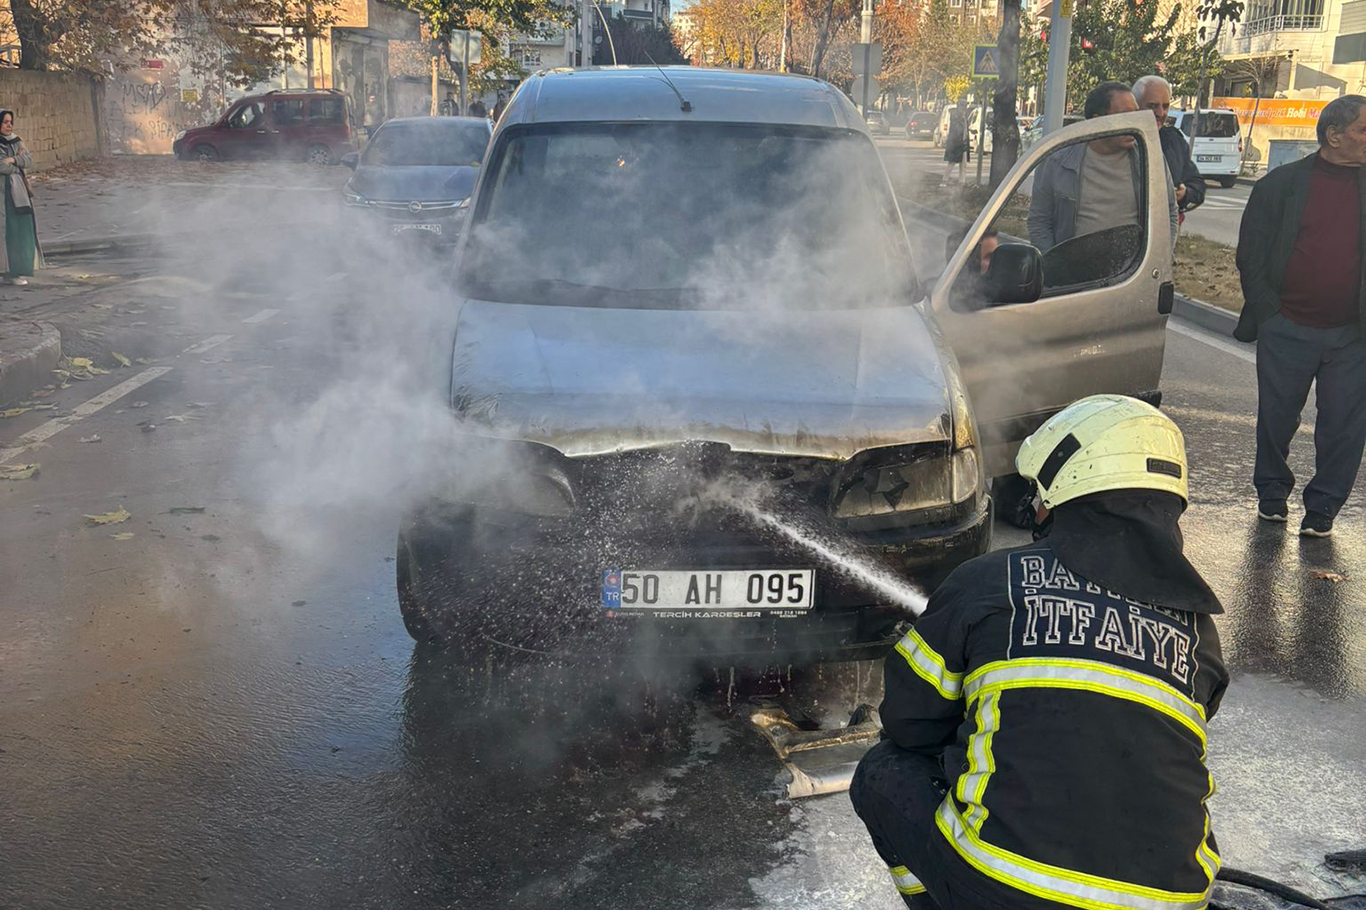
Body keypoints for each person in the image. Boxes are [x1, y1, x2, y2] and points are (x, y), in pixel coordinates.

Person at [851, 394, 1227, 910]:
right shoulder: (1196, 629)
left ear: (1063, 490)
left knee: (881, 774)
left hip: (1010, 890)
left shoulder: (989, 581)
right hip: (1172, 899)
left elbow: (909, 725)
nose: (1034, 505)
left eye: (1038, 493)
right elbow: (1141, 747)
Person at [1235, 94, 1366, 537]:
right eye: (1364, 130)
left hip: (1353, 335)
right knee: (1277, 417)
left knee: (1347, 426)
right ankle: (1272, 493)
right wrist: (1269, 311)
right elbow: (1250, 254)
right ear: (1334, 135)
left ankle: (1324, 507)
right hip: (1286, 324)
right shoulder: (1280, 185)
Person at [1027, 82, 1178, 252]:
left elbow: (1169, 212)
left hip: (1134, 274)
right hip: (1074, 273)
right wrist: (1052, 268)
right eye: (1125, 116)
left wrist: (1161, 260)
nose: (1134, 123)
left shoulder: (1150, 158)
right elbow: (1039, 221)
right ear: (1097, 121)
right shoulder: (1057, 162)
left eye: (1136, 115)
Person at [1132, 75, 1206, 218]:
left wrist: (1184, 193)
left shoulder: (1174, 142)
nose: (1161, 113)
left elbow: (1198, 186)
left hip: (1164, 229)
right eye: (1152, 106)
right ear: (1135, 106)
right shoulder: (1119, 140)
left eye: (1165, 106)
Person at [0, 110, 39, 287]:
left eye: (11, 122)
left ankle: (14, 272)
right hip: (2, 194)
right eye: (5, 122)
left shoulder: (16, 140)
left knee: (17, 232)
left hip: (16, 194)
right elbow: (1, 167)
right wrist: (15, 163)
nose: (9, 125)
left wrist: (13, 160)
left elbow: (28, 159)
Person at [941, 100, 969, 187]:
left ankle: (962, 181)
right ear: (959, 106)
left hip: (963, 142)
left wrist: (969, 132)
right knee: (952, 162)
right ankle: (944, 180)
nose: (965, 108)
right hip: (956, 143)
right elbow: (957, 129)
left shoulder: (963, 116)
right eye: (963, 106)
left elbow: (963, 129)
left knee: (963, 164)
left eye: (965, 106)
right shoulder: (955, 116)